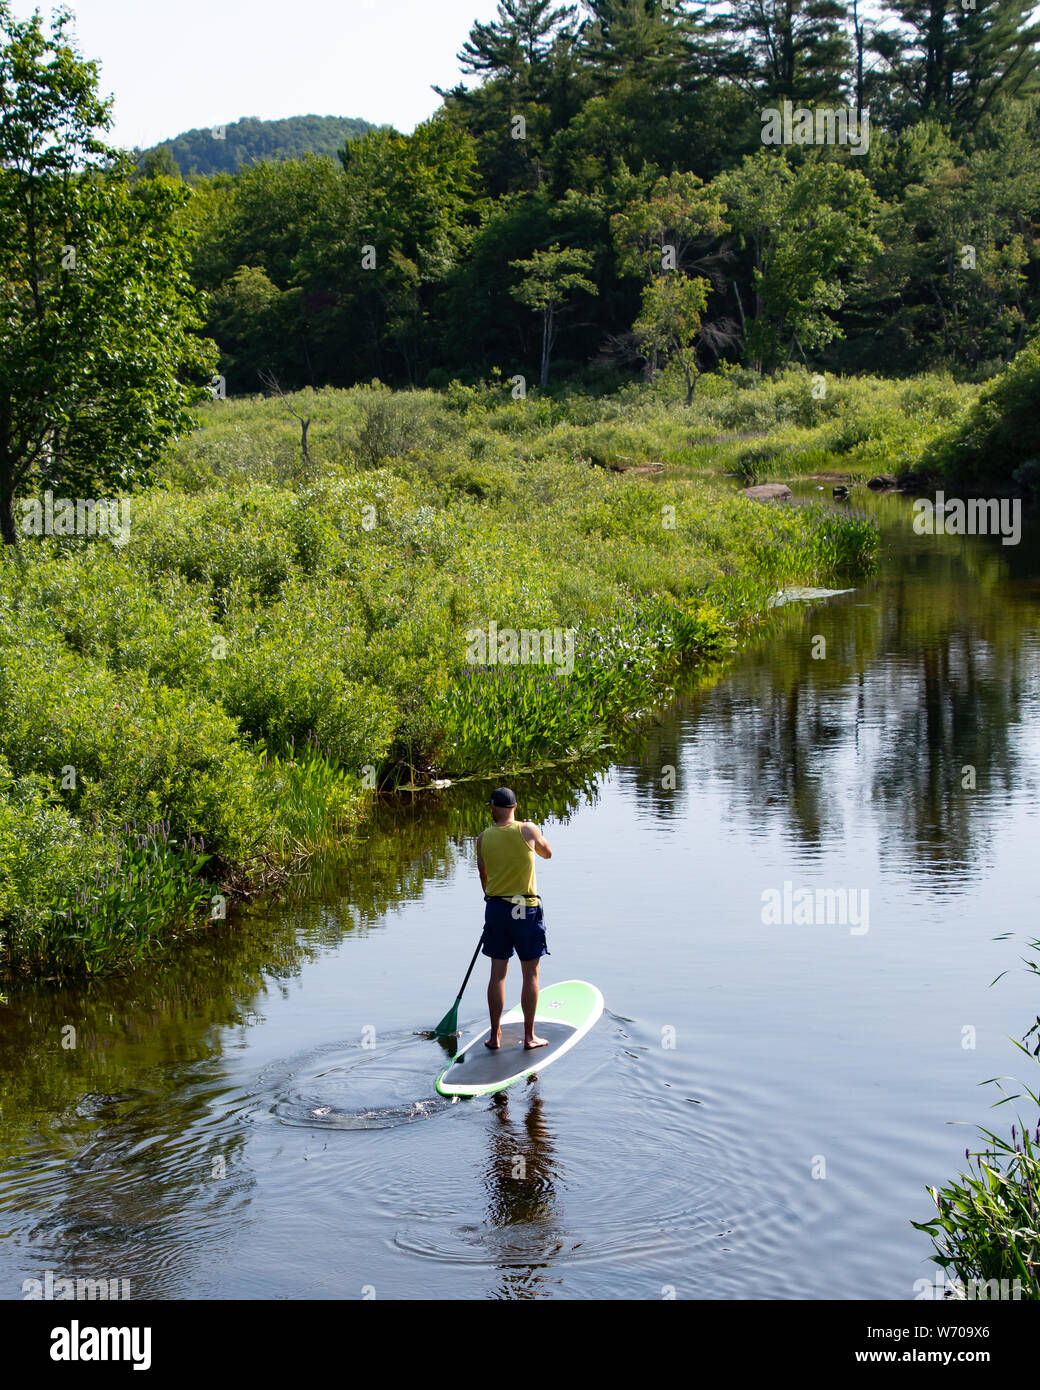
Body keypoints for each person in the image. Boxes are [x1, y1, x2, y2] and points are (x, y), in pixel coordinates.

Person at [475, 788, 553, 1051]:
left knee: (497, 974)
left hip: (496, 907)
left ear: (493, 809)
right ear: (515, 807)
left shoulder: (483, 838)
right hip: (523, 906)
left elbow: (483, 877)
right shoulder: (528, 829)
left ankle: (495, 1036)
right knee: (530, 973)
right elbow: (548, 853)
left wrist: (495, 900)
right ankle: (530, 1037)